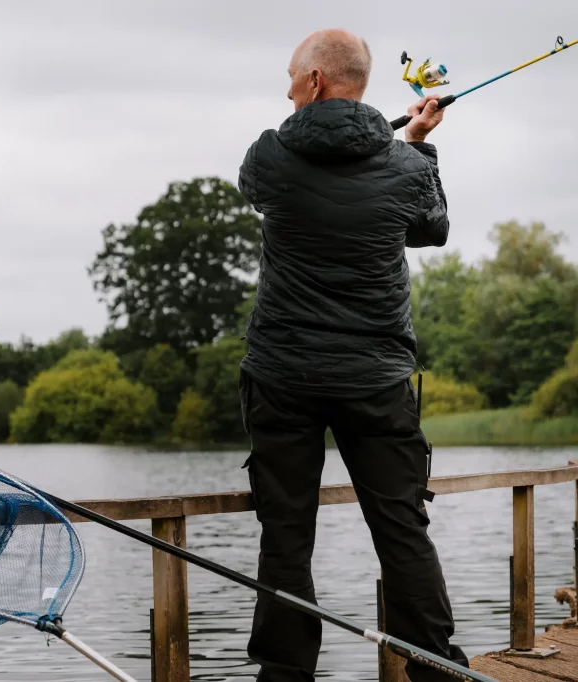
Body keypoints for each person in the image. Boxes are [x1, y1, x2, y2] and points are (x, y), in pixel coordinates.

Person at [235, 28, 468, 682]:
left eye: (290, 77)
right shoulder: (406, 165)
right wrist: (415, 145)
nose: (286, 89)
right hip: (377, 380)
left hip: (282, 377)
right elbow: (432, 228)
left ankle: (285, 676)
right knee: (402, 532)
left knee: (286, 538)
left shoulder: (271, 156)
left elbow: (258, 188)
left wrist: (397, 147)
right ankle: (439, 672)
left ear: (313, 82)